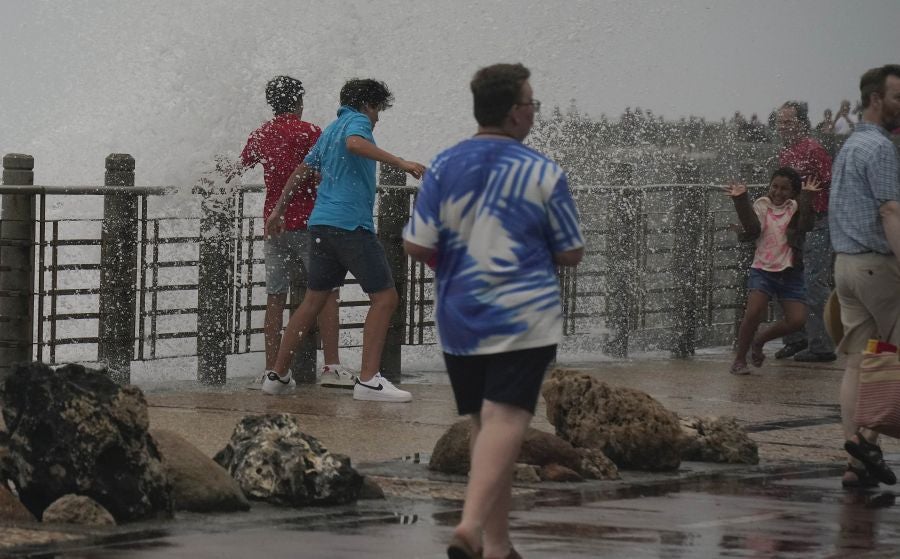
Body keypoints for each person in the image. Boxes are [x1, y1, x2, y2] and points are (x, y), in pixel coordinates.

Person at [403, 63, 584, 559]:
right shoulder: (542, 171)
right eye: (531, 103)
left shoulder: (442, 166)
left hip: (459, 316)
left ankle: (499, 546)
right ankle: (469, 526)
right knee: (507, 421)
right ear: (513, 113)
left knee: (488, 432)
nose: (534, 111)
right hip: (524, 315)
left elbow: (417, 246)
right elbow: (571, 252)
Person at [262, 78, 425, 401]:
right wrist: (402, 163)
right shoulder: (356, 122)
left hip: (320, 225)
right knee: (385, 298)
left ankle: (276, 376)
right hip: (350, 226)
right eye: (378, 110)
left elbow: (301, 172)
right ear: (369, 105)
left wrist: (279, 209)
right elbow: (355, 144)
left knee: (313, 300)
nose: (377, 119)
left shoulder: (330, 130)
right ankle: (368, 381)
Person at [228, 76, 356, 389]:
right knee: (326, 294)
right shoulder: (310, 131)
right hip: (310, 223)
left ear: (272, 103)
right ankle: (332, 367)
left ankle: (273, 371)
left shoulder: (261, 133)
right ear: (299, 101)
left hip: (274, 225)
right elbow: (327, 170)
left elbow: (236, 170)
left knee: (275, 296)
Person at [829, 64, 900, 488]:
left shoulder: (851, 146)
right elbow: (890, 210)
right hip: (877, 265)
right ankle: (868, 443)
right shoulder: (881, 149)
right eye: (897, 97)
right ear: (876, 99)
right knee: (891, 356)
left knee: (860, 361)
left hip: (845, 266)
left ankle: (856, 456)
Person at [725, 168, 819, 375]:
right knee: (753, 313)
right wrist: (740, 199)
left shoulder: (796, 208)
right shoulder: (762, 205)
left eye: (785, 189)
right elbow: (751, 229)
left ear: (793, 192)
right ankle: (740, 359)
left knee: (797, 320)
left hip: (790, 272)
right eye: (774, 187)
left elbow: (806, 224)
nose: (778, 192)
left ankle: (760, 340)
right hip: (763, 269)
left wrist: (807, 196)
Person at [774, 101, 837, 362]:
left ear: (802, 123)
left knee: (813, 283)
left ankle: (821, 345)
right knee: (783, 277)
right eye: (779, 122)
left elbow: (829, 185)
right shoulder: (785, 153)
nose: (782, 127)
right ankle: (796, 338)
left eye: (788, 122)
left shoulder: (815, 150)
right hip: (794, 225)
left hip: (819, 223)